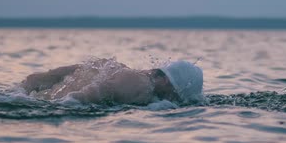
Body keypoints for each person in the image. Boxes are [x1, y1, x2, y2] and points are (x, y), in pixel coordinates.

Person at [21, 58, 203, 106]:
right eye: (176, 95)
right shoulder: (141, 87)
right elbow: (76, 100)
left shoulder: (116, 67)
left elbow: (45, 77)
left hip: (36, 97)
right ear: (165, 80)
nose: (173, 99)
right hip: (55, 105)